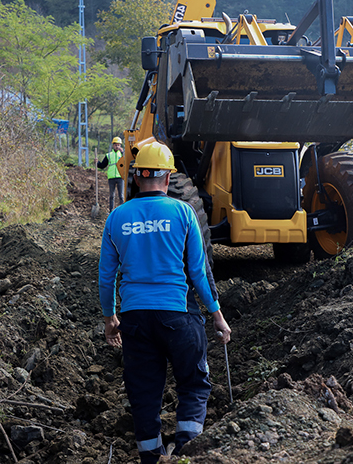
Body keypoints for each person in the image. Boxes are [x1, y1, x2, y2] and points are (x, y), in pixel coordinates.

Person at [98, 141, 231, 464]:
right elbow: (199, 271)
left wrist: (109, 318)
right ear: (168, 178)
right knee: (194, 383)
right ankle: (187, 450)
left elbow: (106, 277)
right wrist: (217, 314)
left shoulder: (117, 218)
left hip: (134, 319)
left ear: (137, 176)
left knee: (143, 392)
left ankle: (152, 456)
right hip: (178, 316)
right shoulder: (183, 212)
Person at [97, 136, 124, 211]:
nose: (117, 146)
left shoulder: (122, 155)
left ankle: (122, 211)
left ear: (120, 145)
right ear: (113, 145)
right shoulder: (108, 155)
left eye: (118, 145)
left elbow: (127, 161)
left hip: (120, 176)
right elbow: (102, 165)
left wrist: (123, 152)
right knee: (111, 195)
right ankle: (111, 210)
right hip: (111, 177)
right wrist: (97, 163)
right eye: (116, 145)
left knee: (121, 196)